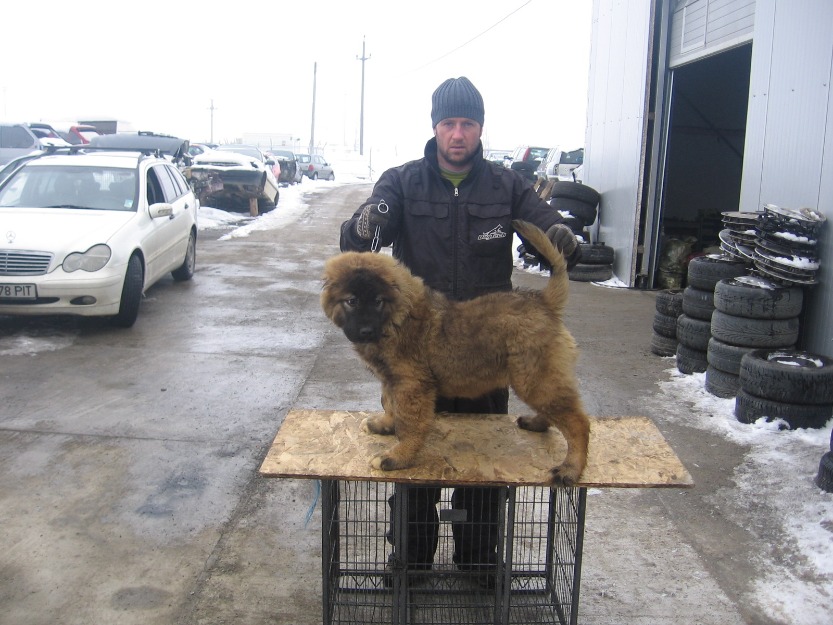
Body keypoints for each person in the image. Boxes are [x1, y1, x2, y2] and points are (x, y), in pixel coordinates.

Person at [339, 76, 581, 585]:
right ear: (435, 127)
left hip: (488, 345)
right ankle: (412, 559)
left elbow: (545, 224)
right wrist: (366, 221)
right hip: (419, 343)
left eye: (466, 124)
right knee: (415, 455)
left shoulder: (506, 185)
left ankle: (477, 559)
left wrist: (560, 233)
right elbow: (362, 234)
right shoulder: (403, 181)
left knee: (484, 462)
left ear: (480, 129)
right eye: (448, 123)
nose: (457, 134)